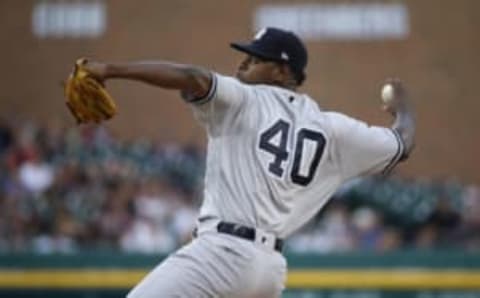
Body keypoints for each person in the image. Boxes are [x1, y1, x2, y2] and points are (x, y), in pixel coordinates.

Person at [83, 27, 415, 298]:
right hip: (268, 272)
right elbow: (402, 144)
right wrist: (404, 109)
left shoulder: (244, 98)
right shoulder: (333, 129)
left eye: (255, 59)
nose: (242, 66)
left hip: (223, 253)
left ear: (283, 71)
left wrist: (111, 70)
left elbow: (192, 77)